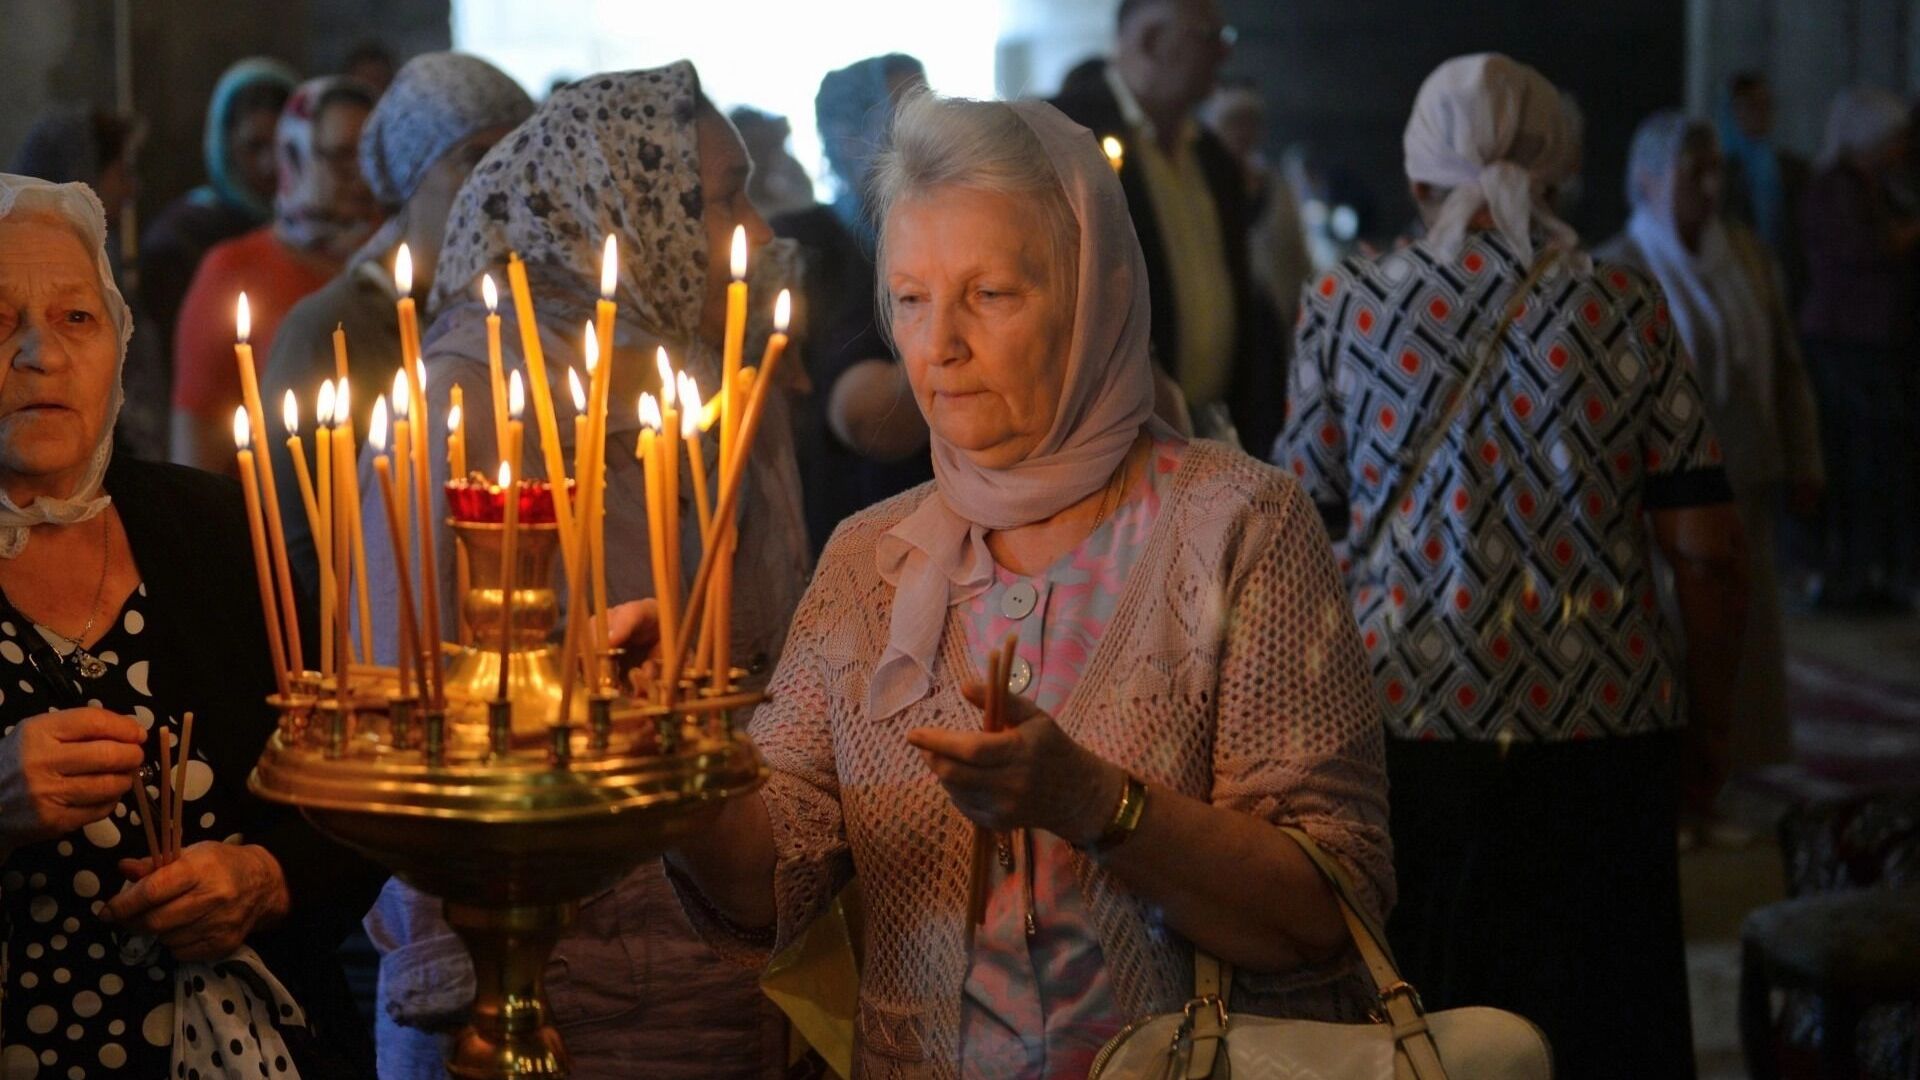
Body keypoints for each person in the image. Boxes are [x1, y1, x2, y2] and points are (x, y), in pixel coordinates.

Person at [667, 91, 1392, 1078]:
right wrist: (672, 774)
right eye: (911, 299)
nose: (940, 344)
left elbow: (1327, 906)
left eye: (992, 295)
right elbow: (771, 882)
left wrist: (1097, 804)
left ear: (1093, 296)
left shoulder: (1239, 525)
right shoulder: (870, 558)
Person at [1274, 55, 1750, 1079]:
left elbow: (1298, 538)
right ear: (1560, 169)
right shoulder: (1625, 304)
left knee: (1423, 1020)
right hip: (1605, 725)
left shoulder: (1344, 306)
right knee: (1604, 1018)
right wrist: (1712, 721)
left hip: (1404, 725)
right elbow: (1706, 551)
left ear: (1417, 176)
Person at [361, 62, 806, 1079]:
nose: (758, 230)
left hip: (730, 939)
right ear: (621, 203)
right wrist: (467, 983)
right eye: (723, 198)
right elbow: (412, 707)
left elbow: (787, 668)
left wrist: (799, 942)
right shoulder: (468, 398)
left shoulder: (726, 379)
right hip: (542, 965)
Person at [0, 173, 386, 1077]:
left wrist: (267, 881)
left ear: (118, 343)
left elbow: (355, 788)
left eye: (77, 318)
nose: (40, 353)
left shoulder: (214, 528)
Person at [1599, 111, 1824, 781]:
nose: (1709, 185)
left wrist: (1804, 458)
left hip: (1743, 472)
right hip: (1660, 493)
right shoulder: (1616, 266)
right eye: (1690, 170)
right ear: (1647, 179)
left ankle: (1737, 763)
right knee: (1675, 627)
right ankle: (1677, 772)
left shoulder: (1746, 255)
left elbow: (1784, 364)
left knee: (1744, 629)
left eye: (1715, 169)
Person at [262, 52, 533, 597]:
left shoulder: (517, 315)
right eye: (474, 157)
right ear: (413, 170)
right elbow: (303, 544)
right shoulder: (330, 330)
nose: (498, 180)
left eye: (515, 155)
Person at [1051, 0, 1283, 451]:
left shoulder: (1212, 155)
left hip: (1212, 438)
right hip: (1111, 445)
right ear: (1152, 40)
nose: (1224, 53)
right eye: (1210, 37)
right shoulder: (1066, 135)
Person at [170, 76, 379, 475]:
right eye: (342, 155)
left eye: (372, 153)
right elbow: (196, 456)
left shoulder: (390, 261)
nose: (362, 173)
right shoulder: (233, 271)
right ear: (297, 153)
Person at [776, 54, 934, 554]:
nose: (933, 132)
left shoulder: (932, 230)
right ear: (847, 138)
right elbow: (870, 420)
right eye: (909, 116)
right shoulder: (813, 244)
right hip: (861, 518)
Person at [1799, 87, 1920, 610]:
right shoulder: (1834, 188)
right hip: (1844, 344)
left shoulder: (1878, 186)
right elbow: (1869, 248)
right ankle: (1848, 572)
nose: (1899, 149)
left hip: (1876, 343)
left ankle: (1876, 571)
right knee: (1853, 462)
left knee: (1881, 460)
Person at [8, 107, 166, 462]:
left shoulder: (106, 263)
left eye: (77, 317)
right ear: (81, 176)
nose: (132, 189)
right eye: (121, 173)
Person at [139, 59, 296, 377]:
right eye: (254, 147)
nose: (270, 164)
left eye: (282, 146)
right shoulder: (184, 235)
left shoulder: (309, 230)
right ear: (226, 145)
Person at [1201, 82, 1313, 343]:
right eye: (1233, 122)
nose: (1242, 132)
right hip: (1217, 324)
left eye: (1250, 122)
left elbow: (1297, 256)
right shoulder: (1201, 188)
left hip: (1271, 325)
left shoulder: (1276, 187)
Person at [1719, 72, 1812, 308]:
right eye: (1752, 106)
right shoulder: (1718, 171)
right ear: (1733, 111)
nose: (1761, 114)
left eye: (1766, 105)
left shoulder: (1792, 169)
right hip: (1737, 280)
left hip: (1786, 279)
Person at [730, 106, 816, 220]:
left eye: (764, 143)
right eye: (753, 144)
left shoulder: (785, 170)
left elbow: (806, 205)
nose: (760, 152)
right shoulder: (729, 189)